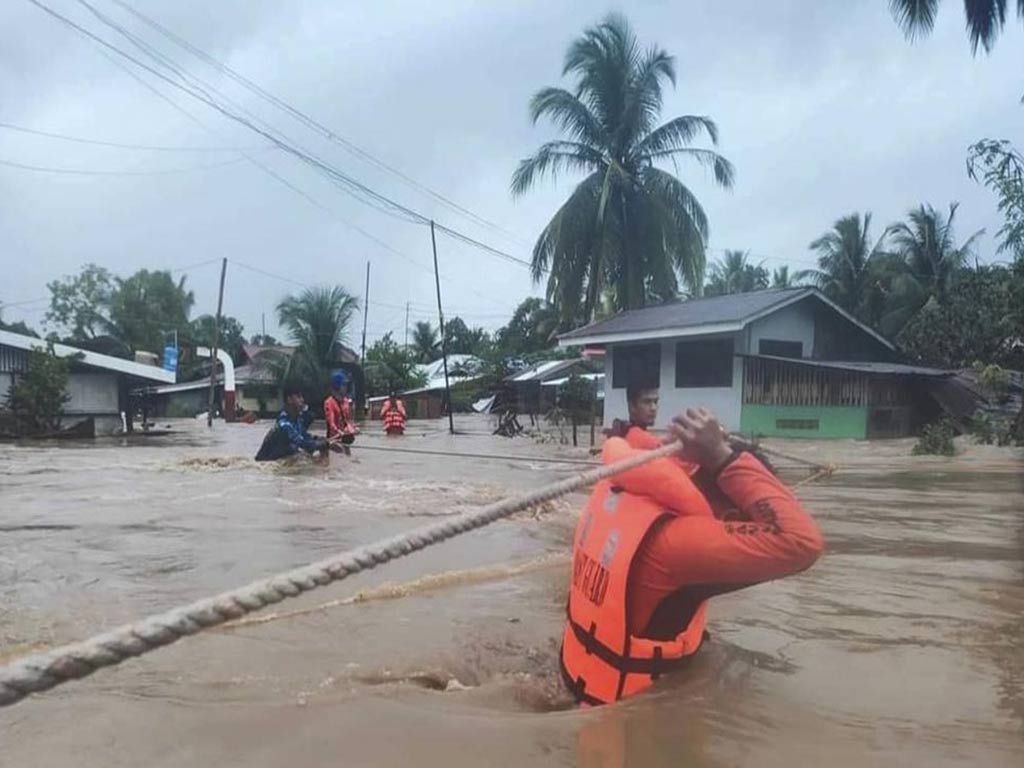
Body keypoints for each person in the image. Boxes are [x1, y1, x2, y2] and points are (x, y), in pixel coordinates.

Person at [560, 406, 824, 706]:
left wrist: (710, 452)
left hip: (577, 679)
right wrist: (720, 456)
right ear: (735, 514)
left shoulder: (630, 495)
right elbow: (801, 542)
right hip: (632, 715)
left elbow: (656, 455)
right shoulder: (679, 545)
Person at [255, 385, 329, 462]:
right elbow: (303, 443)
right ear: (289, 400)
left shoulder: (297, 419)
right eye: (298, 397)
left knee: (300, 452)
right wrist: (321, 444)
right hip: (266, 463)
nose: (302, 400)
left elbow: (304, 436)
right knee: (297, 451)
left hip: (281, 457)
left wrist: (318, 439)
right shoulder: (284, 424)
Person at [324, 371, 358, 453]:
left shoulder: (346, 402)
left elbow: (348, 420)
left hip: (345, 439)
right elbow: (331, 423)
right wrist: (339, 432)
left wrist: (353, 428)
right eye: (344, 385)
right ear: (337, 386)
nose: (346, 387)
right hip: (333, 440)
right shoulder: (329, 402)